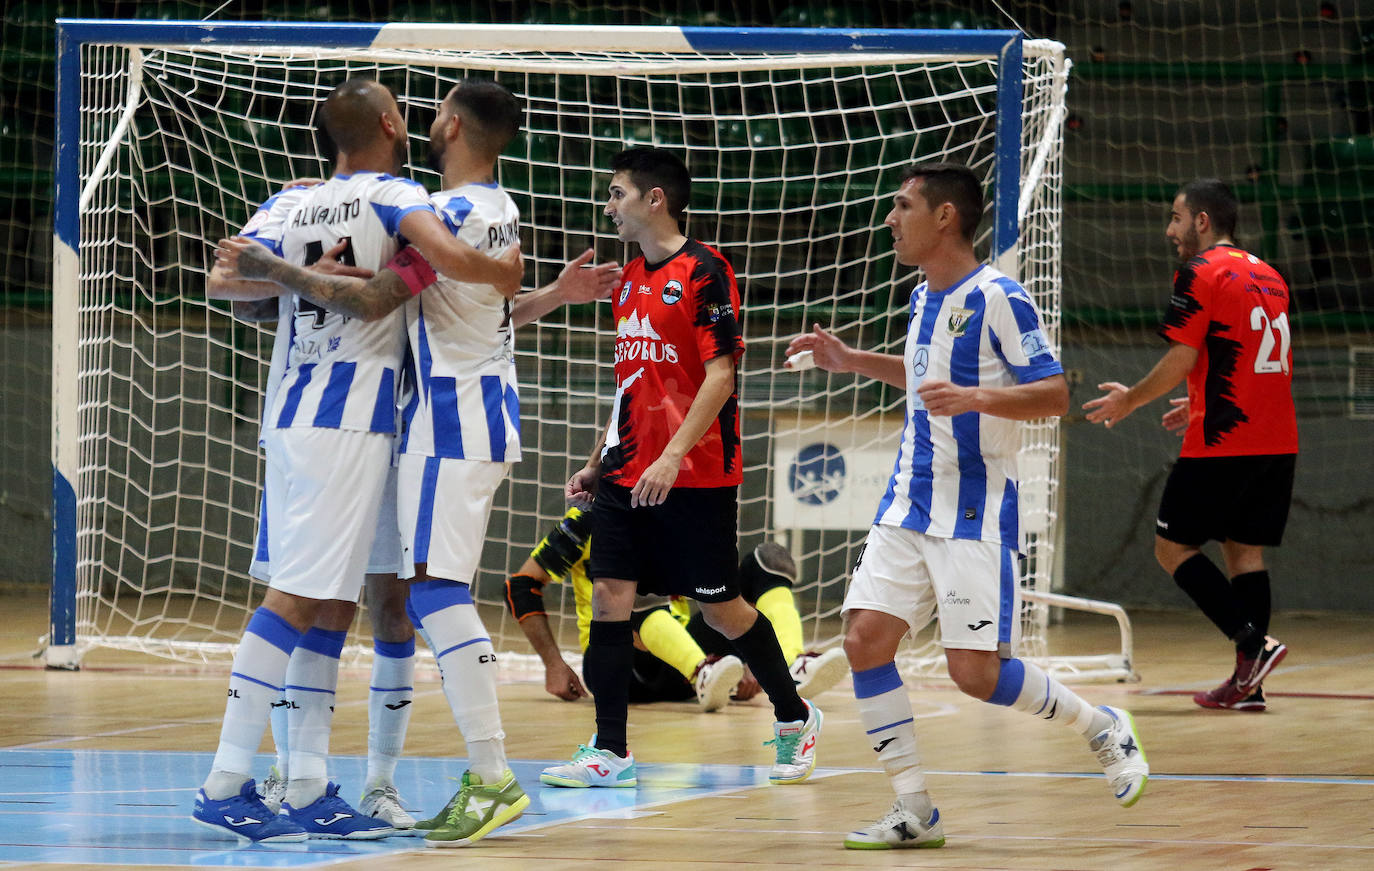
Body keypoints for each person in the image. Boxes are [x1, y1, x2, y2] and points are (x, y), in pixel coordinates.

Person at [215, 78, 621, 846]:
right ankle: (335, 780)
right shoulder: (484, 212)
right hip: (432, 419)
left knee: (424, 594)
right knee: (384, 597)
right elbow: (479, 306)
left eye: (437, 111)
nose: (425, 118)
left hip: (440, 420)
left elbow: (375, 299)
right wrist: (550, 294)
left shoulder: (451, 217)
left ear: (452, 124)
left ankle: (488, 776)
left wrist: (287, 250)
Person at [785, 163, 1148, 850]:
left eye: (902, 205)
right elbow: (927, 377)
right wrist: (849, 359)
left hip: (974, 510)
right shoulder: (925, 296)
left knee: (974, 673)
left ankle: (1100, 724)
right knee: (865, 639)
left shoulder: (1000, 297)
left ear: (945, 216)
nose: (891, 218)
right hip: (907, 499)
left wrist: (980, 398)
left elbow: (1055, 394)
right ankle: (914, 805)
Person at [538, 146, 823, 792]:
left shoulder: (705, 271)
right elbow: (629, 385)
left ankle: (794, 714)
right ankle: (610, 749)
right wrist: (595, 462)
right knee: (611, 599)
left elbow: (723, 374)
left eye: (617, 194)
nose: (608, 206)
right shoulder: (630, 281)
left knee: (722, 610)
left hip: (695, 476)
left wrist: (672, 455)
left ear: (653, 199)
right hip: (626, 472)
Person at [1084, 178, 1294, 712]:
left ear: (1202, 221)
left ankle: (1254, 645)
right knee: (1244, 551)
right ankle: (1251, 685)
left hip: (1225, 440)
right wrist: (1196, 401)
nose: (1170, 230)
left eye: (1176, 218)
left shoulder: (1200, 272)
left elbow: (1181, 357)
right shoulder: (1270, 274)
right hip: (1276, 438)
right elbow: (1249, 359)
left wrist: (1131, 399)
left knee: (1172, 547)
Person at [504, 504, 849, 708]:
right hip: (617, 663)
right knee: (631, 587)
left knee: (768, 561)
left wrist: (750, 660)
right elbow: (520, 586)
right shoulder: (592, 517)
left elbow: (719, 598)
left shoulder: (683, 513)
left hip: (680, 651)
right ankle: (704, 672)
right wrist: (553, 663)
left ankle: (788, 666)